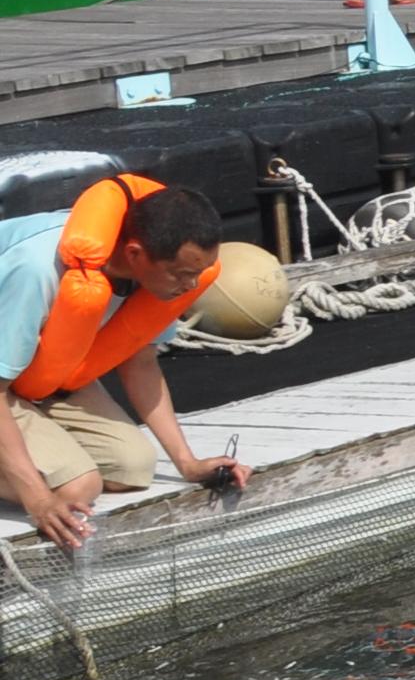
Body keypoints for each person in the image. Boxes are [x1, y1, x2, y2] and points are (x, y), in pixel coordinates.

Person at [0, 177, 248, 549]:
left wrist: (188, 463)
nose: (192, 284)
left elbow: (141, 362)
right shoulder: (36, 270)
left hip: (31, 372)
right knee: (76, 485)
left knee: (133, 465)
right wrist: (38, 500)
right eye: (182, 274)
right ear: (134, 254)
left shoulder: (156, 277)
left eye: (199, 272)